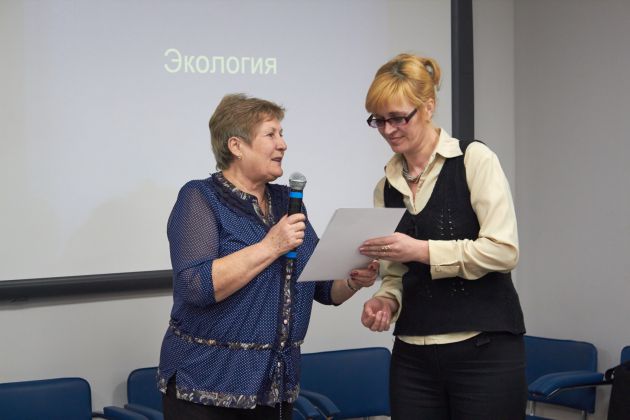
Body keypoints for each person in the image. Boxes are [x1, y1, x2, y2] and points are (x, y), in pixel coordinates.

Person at [157, 93, 378, 420]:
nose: (283, 144)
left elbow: (322, 288)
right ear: (236, 146)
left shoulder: (287, 201)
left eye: (282, 134)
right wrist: (269, 246)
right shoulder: (200, 197)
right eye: (271, 134)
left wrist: (353, 280)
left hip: (273, 386)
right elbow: (195, 286)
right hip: (207, 383)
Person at [358, 53, 527, 419]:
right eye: (379, 120)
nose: (388, 130)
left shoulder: (474, 160)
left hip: (484, 350)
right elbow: (395, 275)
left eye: (398, 118)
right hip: (412, 356)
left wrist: (422, 250)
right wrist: (386, 301)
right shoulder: (384, 187)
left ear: (429, 107)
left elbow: (503, 251)